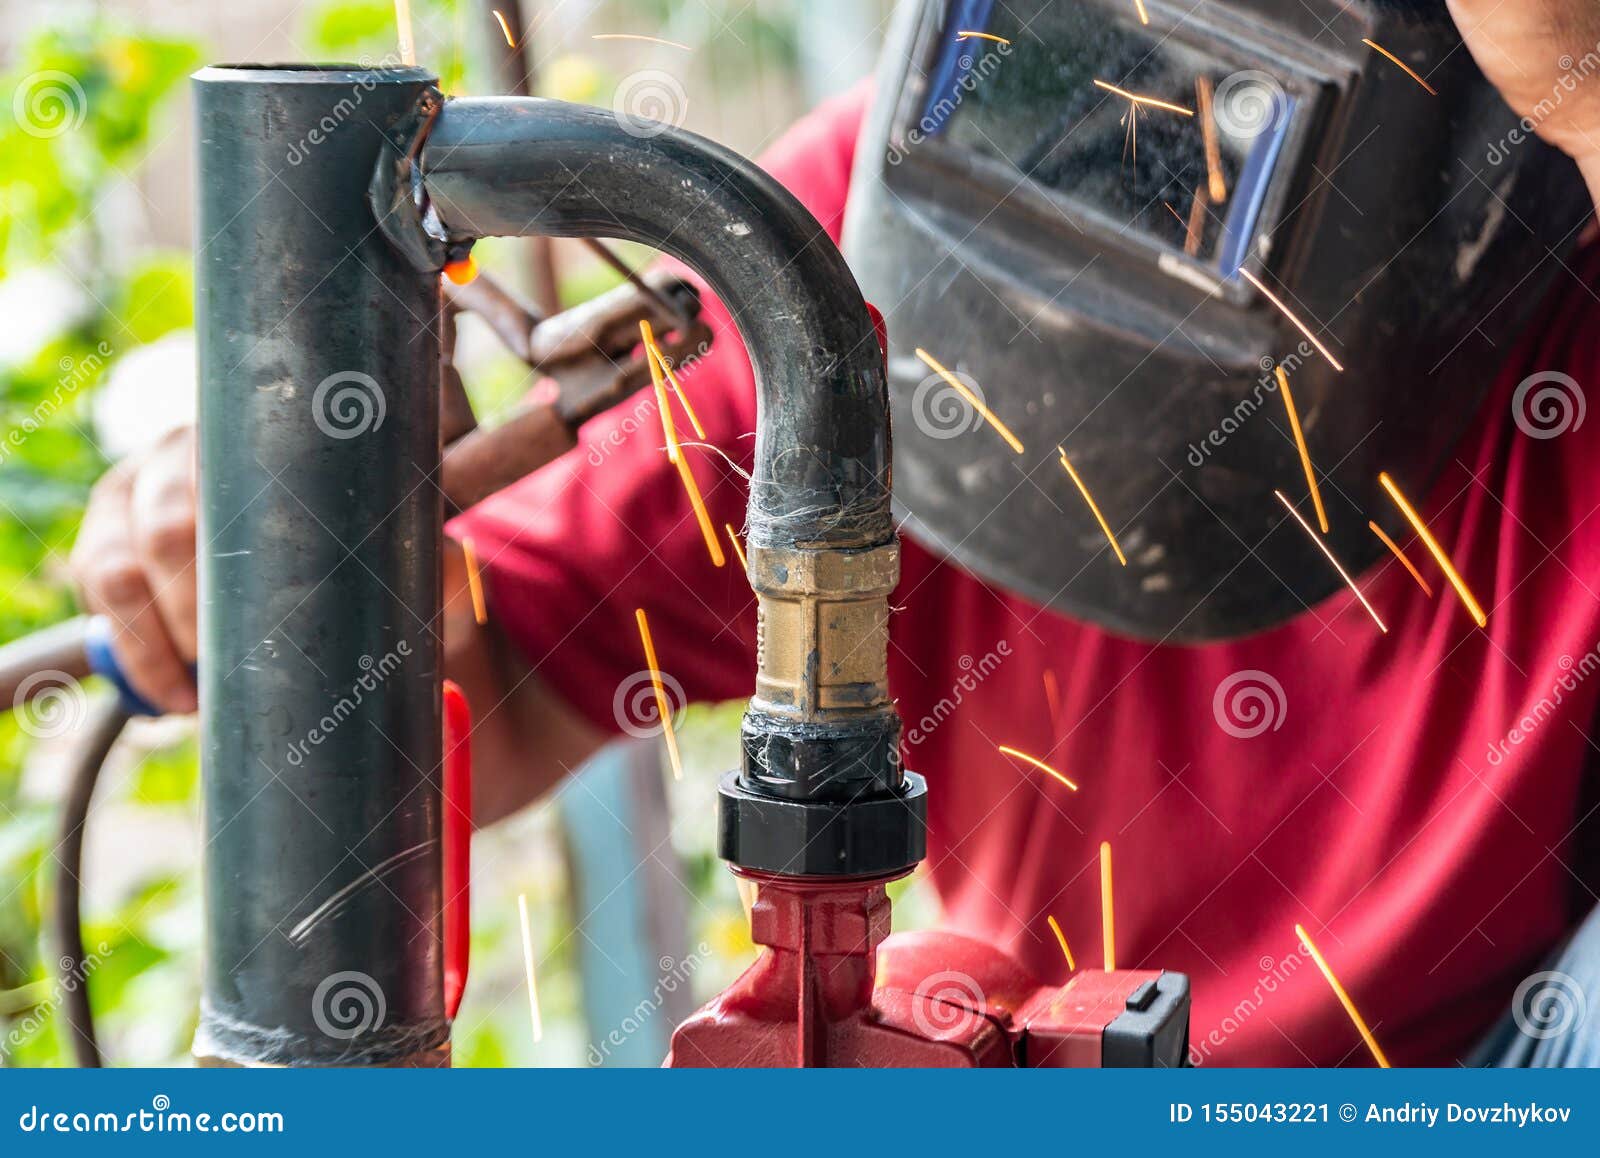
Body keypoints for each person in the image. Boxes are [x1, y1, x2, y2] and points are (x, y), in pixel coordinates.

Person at [69, 0, 1600, 1066]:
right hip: (1065, 1049)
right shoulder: (862, 248)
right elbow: (503, 678)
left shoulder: (1564, 244)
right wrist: (306, 552)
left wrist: (1583, 95)